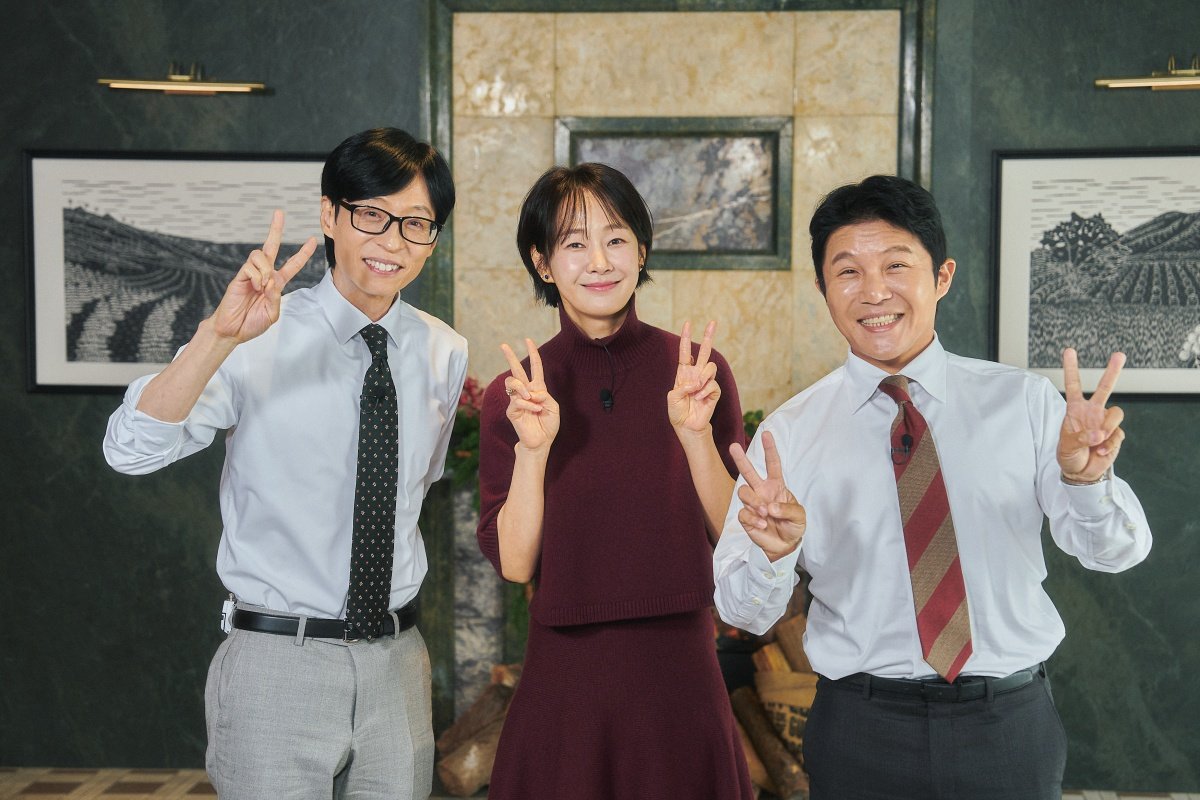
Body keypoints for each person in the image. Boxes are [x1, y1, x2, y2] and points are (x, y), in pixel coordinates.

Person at [713, 174, 1152, 800]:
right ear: (822, 289)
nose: (874, 292)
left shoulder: (1024, 404)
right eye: (848, 272)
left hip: (1008, 725)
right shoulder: (790, 433)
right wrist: (772, 555)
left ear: (942, 276)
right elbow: (740, 611)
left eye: (896, 265)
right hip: (860, 729)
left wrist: (1087, 481)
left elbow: (1117, 553)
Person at [102, 128, 467, 800]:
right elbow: (130, 449)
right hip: (277, 662)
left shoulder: (444, 351)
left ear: (432, 239)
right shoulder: (255, 334)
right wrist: (216, 338)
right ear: (330, 215)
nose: (392, 241)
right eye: (372, 214)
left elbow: (420, 486)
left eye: (415, 223)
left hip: (397, 665)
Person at [475, 162, 754, 799]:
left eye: (617, 238)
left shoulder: (698, 373)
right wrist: (534, 450)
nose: (599, 261)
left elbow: (734, 535)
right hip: (565, 680)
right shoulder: (516, 394)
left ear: (642, 251)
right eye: (574, 243)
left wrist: (694, 436)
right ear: (543, 263)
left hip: (683, 673)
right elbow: (515, 564)